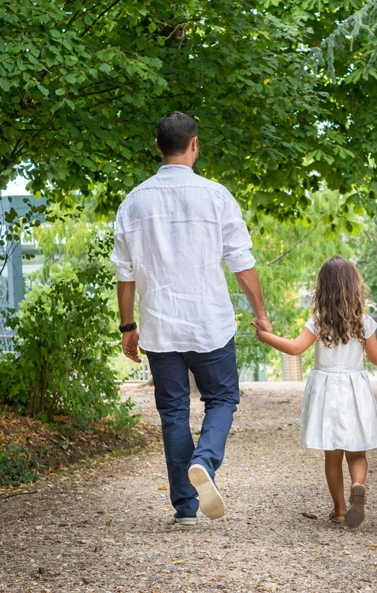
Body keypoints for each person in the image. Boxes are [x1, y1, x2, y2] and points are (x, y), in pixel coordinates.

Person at [112, 111, 272, 525]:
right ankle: (205, 460)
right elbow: (241, 262)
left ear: (157, 148)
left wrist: (128, 327)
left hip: (160, 327)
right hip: (210, 325)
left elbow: (124, 275)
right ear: (195, 144)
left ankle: (185, 508)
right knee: (222, 399)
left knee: (173, 412)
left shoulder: (133, 202)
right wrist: (261, 312)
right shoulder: (216, 196)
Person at [253, 256, 377, 528]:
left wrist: (265, 335)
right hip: (354, 390)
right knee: (357, 452)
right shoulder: (363, 321)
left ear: (322, 288)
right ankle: (357, 484)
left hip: (326, 392)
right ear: (355, 287)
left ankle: (340, 510)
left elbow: (295, 348)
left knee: (333, 455)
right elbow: (376, 358)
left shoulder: (318, 321)